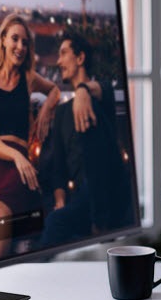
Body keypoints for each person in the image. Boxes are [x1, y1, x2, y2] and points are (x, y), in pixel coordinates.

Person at [0, 14, 61, 262]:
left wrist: (45, 109)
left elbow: (54, 90)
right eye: (15, 39)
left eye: (25, 42)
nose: (20, 47)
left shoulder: (28, 78)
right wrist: (16, 157)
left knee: (1, 208)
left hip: (19, 169)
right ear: (3, 39)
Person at [37, 34, 132, 247]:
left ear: (80, 58)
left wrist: (83, 90)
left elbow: (105, 87)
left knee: (54, 223)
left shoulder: (99, 98)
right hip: (81, 196)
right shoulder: (62, 113)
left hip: (106, 192)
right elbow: (59, 170)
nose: (58, 61)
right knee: (53, 218)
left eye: (63, 54)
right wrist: (60, 201)